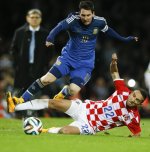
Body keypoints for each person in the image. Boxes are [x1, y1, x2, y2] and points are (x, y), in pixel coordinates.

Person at [9, 0, 138, 105]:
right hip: (68, 59)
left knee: (73, 90)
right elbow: (59, 27)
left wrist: (124, 39)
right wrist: (50, 38)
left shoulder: (100, 22)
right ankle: (21, 99)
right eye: (83, 15)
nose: (86, 18)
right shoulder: (73, 20)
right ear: (79, 13)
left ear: (93, 13)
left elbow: (109, 31)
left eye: (88, 15)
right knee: (47, 79)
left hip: (85, 64)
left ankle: (63, 93)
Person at [7, 53, 148, 137]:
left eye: (137, 100)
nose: (133, 99)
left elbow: (137, 134)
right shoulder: (123, 91)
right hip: (86, 108)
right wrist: (113, 63)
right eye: (134, 95)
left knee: (66, 131)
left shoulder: (133, 117)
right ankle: (16, 107)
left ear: (140, 104)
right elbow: (114, 73)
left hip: (90, 126)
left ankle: (41, 130)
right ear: (131, 92)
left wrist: (132, 138)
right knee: (54, 103)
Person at [10, 9, 51, 95]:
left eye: (37, 17)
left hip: (39, 69)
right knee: (19, 93)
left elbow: (50, 52)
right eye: (32, 17)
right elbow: (13, 50)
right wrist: (18, 63)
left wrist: (44, 64)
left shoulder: (46, 34)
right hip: (22, 69)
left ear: (40, 19)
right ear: (27, 18)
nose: (34, 19)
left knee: (38, 93)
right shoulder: (20, 32)